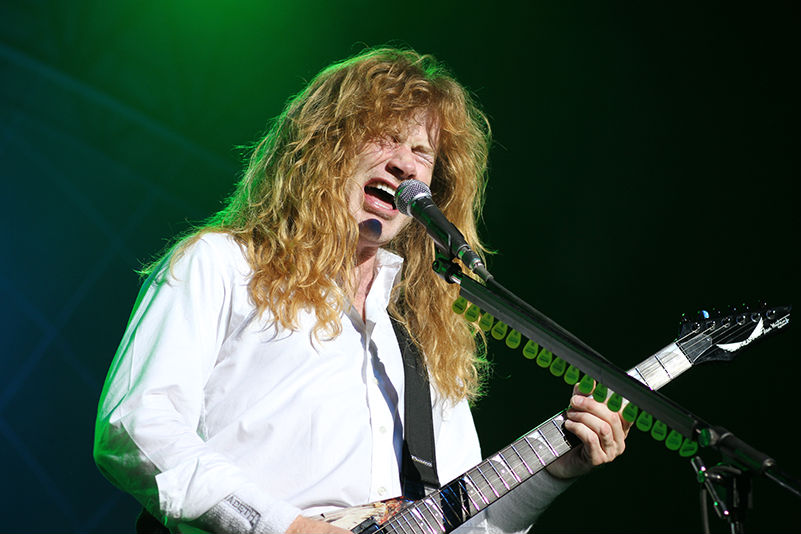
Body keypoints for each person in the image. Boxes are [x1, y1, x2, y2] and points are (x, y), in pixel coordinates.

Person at [94, 47, 631, 534]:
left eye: (422, 151)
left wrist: (553, 474)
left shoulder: (423, 339)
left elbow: (465, 523)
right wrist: (285, 528)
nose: (405, 163)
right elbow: (136, 428)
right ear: (322, 145)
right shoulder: (223, 265)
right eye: (385, 136)